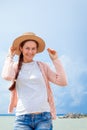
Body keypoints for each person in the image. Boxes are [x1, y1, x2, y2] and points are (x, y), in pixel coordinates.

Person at [1, 32, 67, 130]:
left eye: (33, 48)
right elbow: (6, 76)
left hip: (43, 118)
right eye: (27, 48)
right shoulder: (15, 67)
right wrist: (10, 56)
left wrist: (55, 59)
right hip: (22, 119)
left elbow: (62, 81)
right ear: (21, 48)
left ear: (36, 50)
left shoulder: (42, 66)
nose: (30, 52)